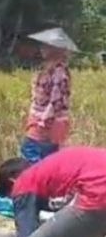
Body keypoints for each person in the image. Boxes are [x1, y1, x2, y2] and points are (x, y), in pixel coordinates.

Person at [20, 28, 77, 164]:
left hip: (47, 121)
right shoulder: (48, 69)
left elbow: (56, 100)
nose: (42, 49)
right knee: (47, 156)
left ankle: (36, 183)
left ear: (55, 49)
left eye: (46, 46)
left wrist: (43, 120)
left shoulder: (59, 72)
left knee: (30, 150)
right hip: (41, 118)